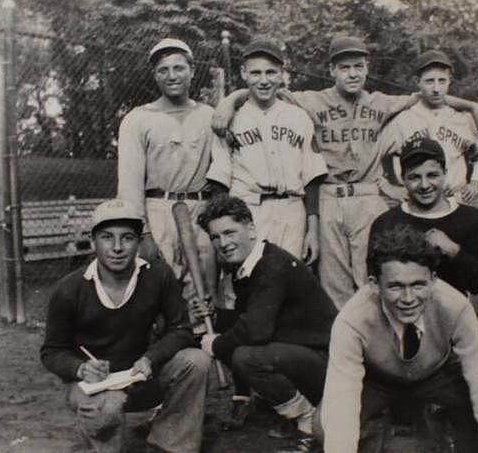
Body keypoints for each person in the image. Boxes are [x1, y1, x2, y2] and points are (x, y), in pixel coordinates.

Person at [212, 36, 478, 310]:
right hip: (329, 195)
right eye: (344, 67)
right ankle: (344, 350)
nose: (352, 73)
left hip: (366, 196)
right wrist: (229, 101)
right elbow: (263, 89)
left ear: (367, 68)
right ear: (332, 70)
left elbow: (430, 96)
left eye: (358, 66)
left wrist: (471, 105)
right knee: (333, 283)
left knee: (372, 275)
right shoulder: (311, 101)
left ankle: (378, 351)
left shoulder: (381, 102)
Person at [320, 225, 478, 453]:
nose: (408, 298)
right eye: (396, 286)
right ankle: (388, 432)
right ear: (374, 284)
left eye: (418, 285)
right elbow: (343, 395)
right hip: (377, 381)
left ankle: (448, 432)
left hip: (437, 375)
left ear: (432, 280)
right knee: (323, 426)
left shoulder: (454, 305)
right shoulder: (351, 319)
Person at [40, 199, 211, 453]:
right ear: (93, 240)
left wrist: (151, 358)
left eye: (127, 238)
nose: (118, 248)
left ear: (139, 242)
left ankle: (170, 443)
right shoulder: (69, 289)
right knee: (104, 412)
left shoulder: (158, 275)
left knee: (196, 361)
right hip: (96, 384)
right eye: (107, 237)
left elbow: (181, 329)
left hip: (141, 374)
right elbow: (51, 352)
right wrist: (81, 368)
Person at [196, 195, 338, 451]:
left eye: (230, 232)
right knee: (241, 346)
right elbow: (242, 322)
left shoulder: (272, 265)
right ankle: (302, 412)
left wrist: (216, 345)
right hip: (302, 357)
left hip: (329, 365)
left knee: (247, 356)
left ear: (251, 228)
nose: (223, 243)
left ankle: (309, 421)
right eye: (215, 237)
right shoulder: (247, 266)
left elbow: (255, 331)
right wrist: (213, 318)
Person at [370, 136, 478, 374]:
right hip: (405, 322)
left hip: (453, 317)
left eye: (432, 175)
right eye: (414, 177)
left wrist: (453, 249)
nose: (424, 185)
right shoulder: (387, 222)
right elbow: (375, 284)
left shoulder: (469, 218)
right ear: (403, 179)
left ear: (445, 173)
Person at [116, 37, 222, 330]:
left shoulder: (210, 116)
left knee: (204, 291)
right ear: (155, 75)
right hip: (158, 209)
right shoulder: (138, 119)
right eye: (163, 70)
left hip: (200, 209)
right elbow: (129, 183)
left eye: (178, 68)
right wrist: (142, 232)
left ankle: (204, 354)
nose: (172, 76)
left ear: (191, 70)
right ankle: (164, 360)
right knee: (159, 291)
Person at [205, 38, 327, 263]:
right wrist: (222, 229)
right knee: (245, 283)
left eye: (271, 73)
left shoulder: (298, 116)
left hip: (292, 210)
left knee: (290, 283)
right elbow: (219, 180)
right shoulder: (230, 119)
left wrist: (313, 231)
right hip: (247, 210)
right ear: (244, 73)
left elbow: (312, 178)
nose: (263, 81)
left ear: (281, 74)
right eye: (256, 73)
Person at [379, 49, 478, 204]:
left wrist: (476, 182)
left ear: (449, 81)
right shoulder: (402, 120)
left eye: (442, 80)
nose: (436, 88)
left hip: (454, 201)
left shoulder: (463, 119)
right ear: (417, 82)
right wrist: (388, 187)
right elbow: (372, 156)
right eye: (429, 81)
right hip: (415, 202)